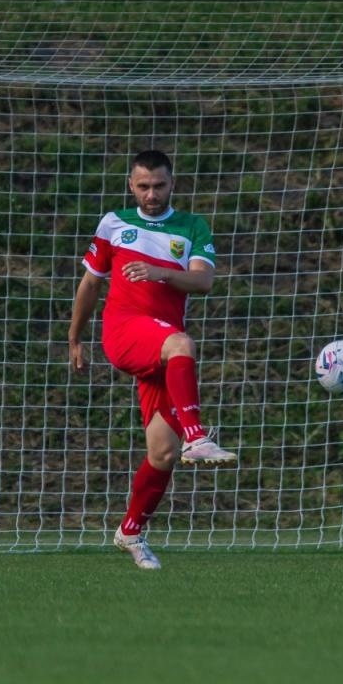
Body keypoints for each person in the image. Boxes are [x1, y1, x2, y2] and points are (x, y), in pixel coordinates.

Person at [68, 149, 231, 571]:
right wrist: (74, 337)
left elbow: (204, 280)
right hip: (124, 331)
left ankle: (131, 532)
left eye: (159, 185)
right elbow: (90, 284)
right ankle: (199, 436)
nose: (151, 193)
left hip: (157, 343)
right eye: (143, 186)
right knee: (182, 345)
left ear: (171, 183)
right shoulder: (114, 223)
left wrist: (162, 274)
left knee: (162, 453)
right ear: (130, 185)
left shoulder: (191, 226)